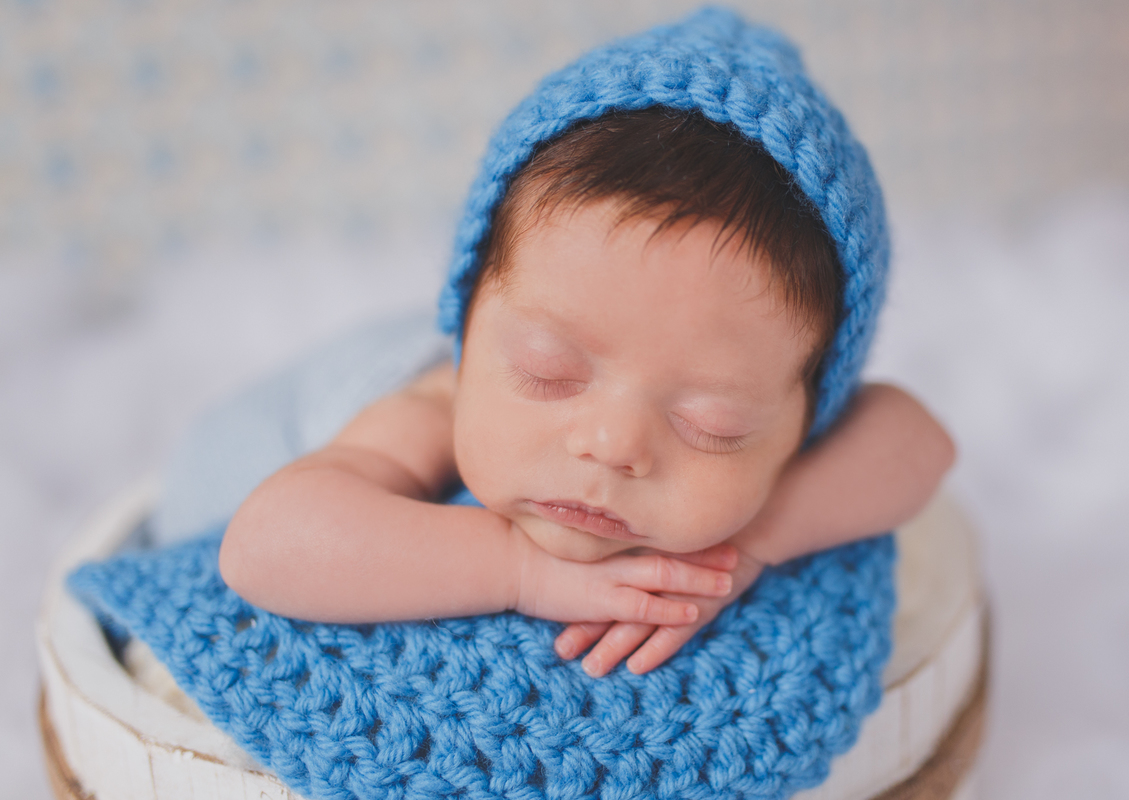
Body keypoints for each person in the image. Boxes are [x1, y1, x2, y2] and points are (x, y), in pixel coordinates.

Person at [219, 17, 955, 680]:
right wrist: (519, 571)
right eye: (550, 373)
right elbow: (262, 545)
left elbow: (921, 441)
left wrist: (752, 544)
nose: (610, 443)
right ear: (468, 332)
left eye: (711, 423)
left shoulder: (795, 411)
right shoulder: (427, 408)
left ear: (807, 418)